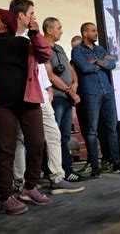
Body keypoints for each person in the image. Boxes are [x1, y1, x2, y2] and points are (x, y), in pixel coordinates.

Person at [0, 0, 52, 215]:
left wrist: (35, 34)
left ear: (6, 22)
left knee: (37, 144)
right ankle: (6, 197)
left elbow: (44, 55)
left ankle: (30, 187)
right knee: (5, 150)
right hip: (3, 105)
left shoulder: (25, 43)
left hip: (28, 101)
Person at [71, 22, 120, 178]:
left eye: (96, 30)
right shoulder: (77, 51)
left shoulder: (99, 50)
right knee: (91, 131)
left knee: (112, 128)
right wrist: (103, 63)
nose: (96, 33)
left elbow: (112, 64)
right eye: (93, 31)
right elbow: (84, 68)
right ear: (85, 33)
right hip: (91, 93)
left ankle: (116, 162)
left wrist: (97, 62)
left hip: (108, 92)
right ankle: (94, 166)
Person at [13, 63, 85, 194]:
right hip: (23, 97)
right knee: (21, 139)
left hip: (43, 98)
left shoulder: (37, 50)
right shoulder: (17, 45)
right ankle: (20, 181)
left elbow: (44, 76)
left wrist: (48, 91)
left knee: (54, 135)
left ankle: (57, 179)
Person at [43, 17, 87, 182]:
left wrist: (75, 83)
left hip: (67, 97)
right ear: (49, 30)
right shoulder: (44, 48)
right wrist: (70, 91)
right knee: (55, 136)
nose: (61, 31)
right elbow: (50, 75)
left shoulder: (60, 48)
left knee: (65, 137)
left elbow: (70, 68)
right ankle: (60, 172)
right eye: (59, 28)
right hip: (57, 98)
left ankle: (67, 170)